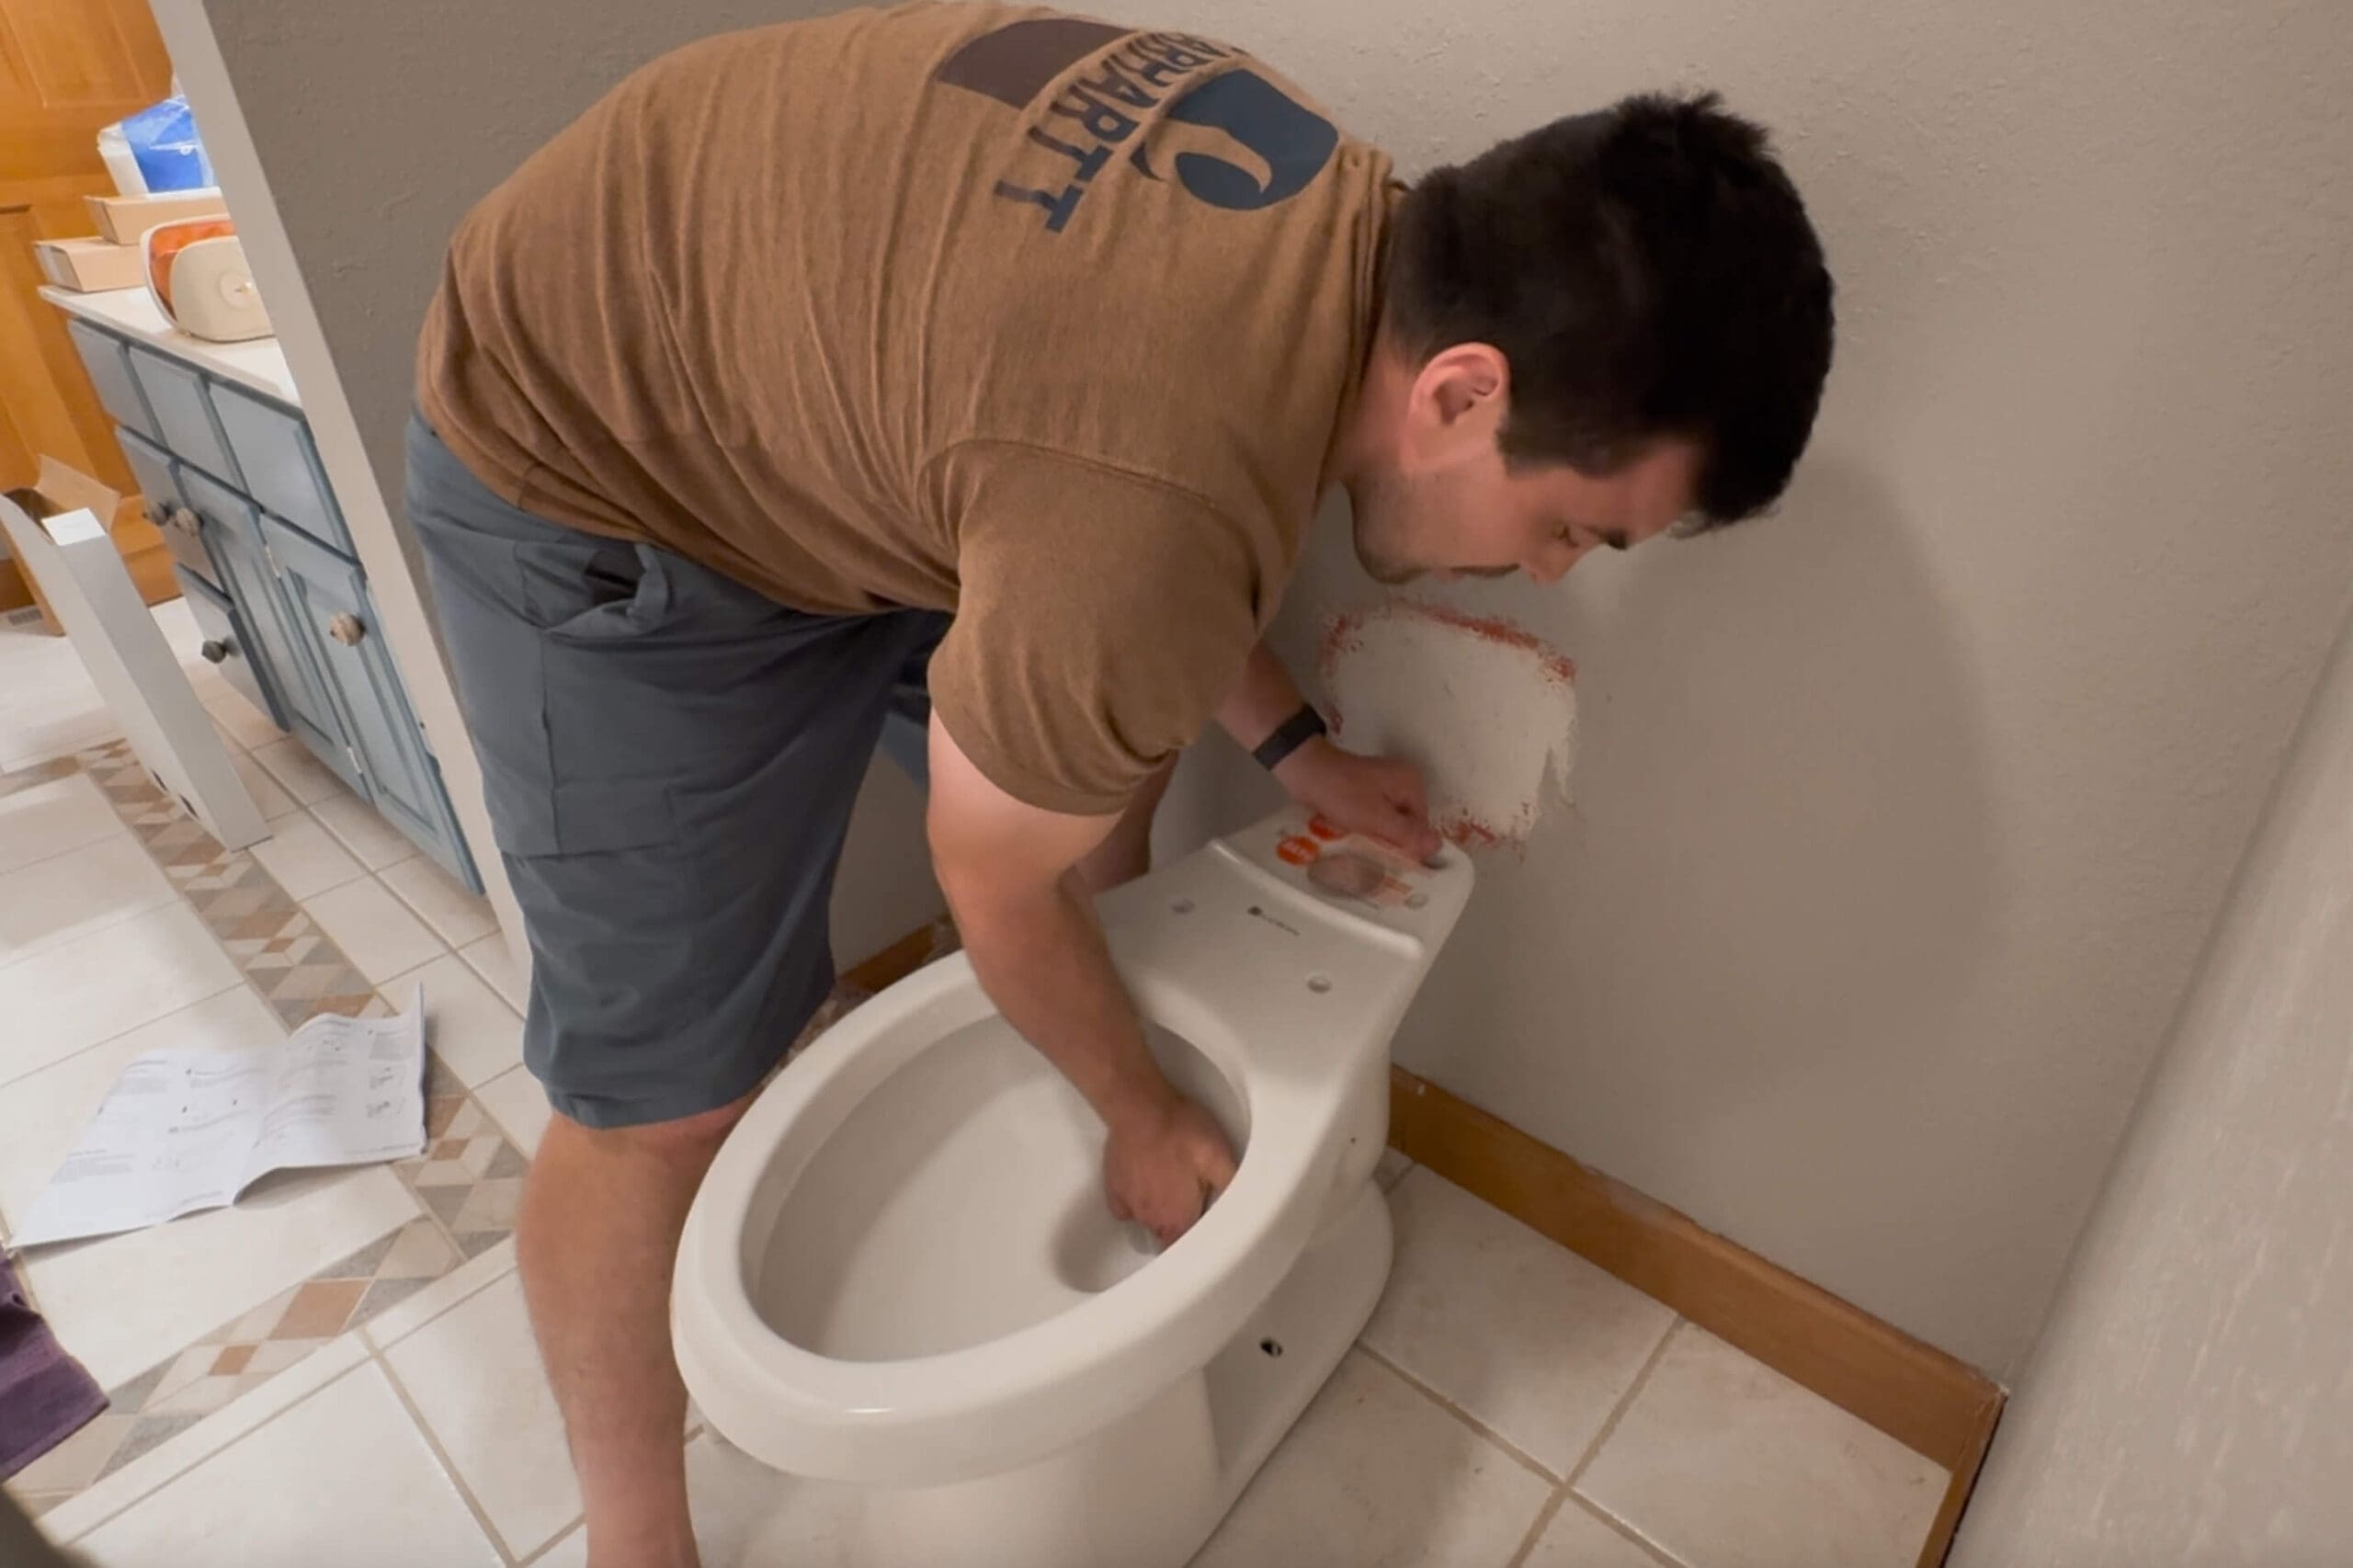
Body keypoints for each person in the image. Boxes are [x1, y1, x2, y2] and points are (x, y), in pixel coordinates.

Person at [406, 6, 1833, 1563]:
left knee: (1110, 766)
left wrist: (1297, 752)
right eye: (1577, 526)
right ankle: (635, 1544)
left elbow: (1143, 541)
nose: (1552, 574)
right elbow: (1014, 808)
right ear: (1462, 395)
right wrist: (1144, 1105)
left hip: (838, 394)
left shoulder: (1342, 230)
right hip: (597, 453)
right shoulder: (1141, 503)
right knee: (668, 1097)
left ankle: (1045, 1067)